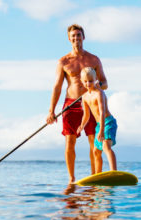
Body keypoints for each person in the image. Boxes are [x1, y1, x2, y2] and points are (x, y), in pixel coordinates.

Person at [46, 24, 108, 183]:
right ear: (69, 39)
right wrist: (51, 111)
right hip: (70, 104)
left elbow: (105, 82)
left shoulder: (93, 59)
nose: (76, 38)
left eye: (78, 35)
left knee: (94, 141)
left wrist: (95, 86)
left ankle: (95, 177)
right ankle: (72, 179)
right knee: (70, 141)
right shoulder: (64, 61)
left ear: (83, 37)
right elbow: (57, 87)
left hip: (90, 103)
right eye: (73, 36)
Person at [77, 67, 117, 174]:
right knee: (95, 151)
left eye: (91, 81)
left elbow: (102, 112)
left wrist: (102, 130)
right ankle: (98, 175)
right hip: (99, 125)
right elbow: (86, 115)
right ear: (81, 81)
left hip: (108, 122)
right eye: (85, 81)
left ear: (95, 80)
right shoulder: (84, 97)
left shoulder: (99, 93)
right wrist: (81, 125)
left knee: (105, 146)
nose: (88, 83)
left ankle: (114, 172)